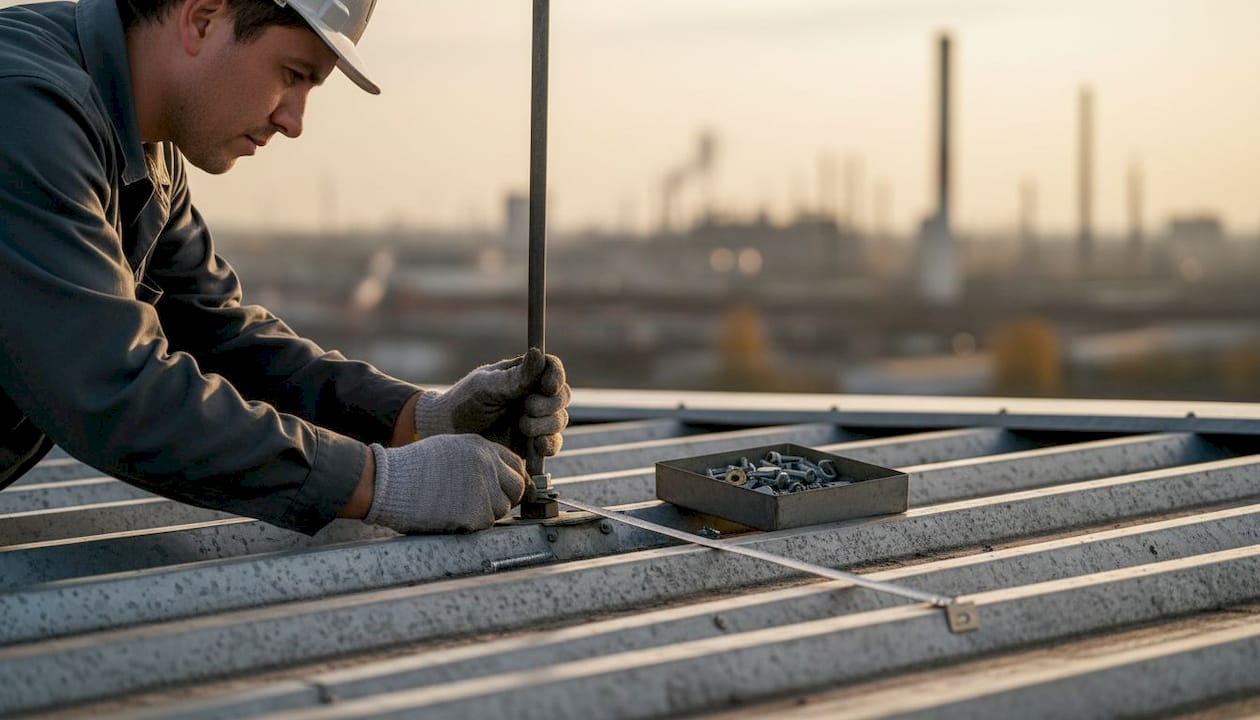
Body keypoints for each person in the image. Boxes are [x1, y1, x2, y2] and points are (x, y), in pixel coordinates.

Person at [0, 0, 570, 535]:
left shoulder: (144, 147)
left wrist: (419, 418)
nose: (294, 121)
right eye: (293, 74)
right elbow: (112, 389)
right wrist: (377, 483)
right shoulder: (25, 111)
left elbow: (221, 338)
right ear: (202, 19)